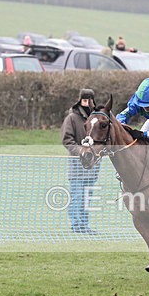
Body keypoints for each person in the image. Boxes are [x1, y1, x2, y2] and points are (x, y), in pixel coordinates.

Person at [61, 88, 102, 234]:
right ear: (80, 100)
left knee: (87, 197)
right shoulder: (71, 118)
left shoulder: (97, 118)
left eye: (90, 100)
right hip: (77, 165)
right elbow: (67, 140)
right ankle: (76, 225)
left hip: (92, 166)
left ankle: (84, 225)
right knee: (77, 196)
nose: (87, 103)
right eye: (84, 100)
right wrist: (81, 151)